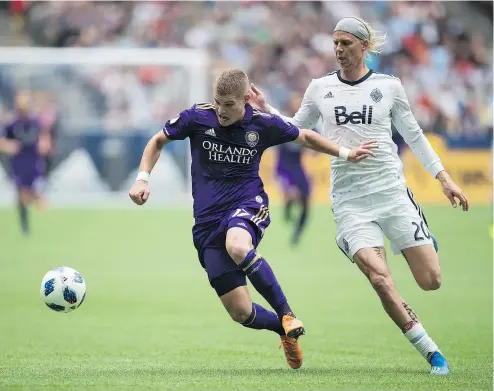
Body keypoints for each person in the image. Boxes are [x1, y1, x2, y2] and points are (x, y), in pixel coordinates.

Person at [249, 17, 469, 375]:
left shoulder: (389, 86)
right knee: (380, 278)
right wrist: (266, 110)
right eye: (335, 43)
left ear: (364, 47)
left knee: (431, 281)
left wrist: (444, 179)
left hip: (392, 194)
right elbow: (295, 129)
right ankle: (432, 353)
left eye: (346, 43)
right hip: (350, 203)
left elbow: (414, 136)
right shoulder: (320, 88)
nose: (338, 49)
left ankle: (424, 237)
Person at [129, 68, 376, 369]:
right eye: (217, 102)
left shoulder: (262, 124)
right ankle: (283, 330)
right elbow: (158, 140)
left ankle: (286, 312)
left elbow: (306, 137)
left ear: (246, 100)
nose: (221, 110)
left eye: (229, 104)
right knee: (240, 312)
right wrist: (143, 179)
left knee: (237, 245)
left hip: (247, 204)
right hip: (207, 223)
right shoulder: (197, 117)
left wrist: (347, 153)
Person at [0, 92, 51, 235]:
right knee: (20, 194)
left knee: (26, 191)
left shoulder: (35, 123)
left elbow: (37, 140)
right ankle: (25, 226)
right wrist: (7, 145)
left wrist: (17, 145)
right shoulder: (13, 124)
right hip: (18, 163)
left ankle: (37, 198)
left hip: (32, 162)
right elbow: (3, 141)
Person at [275, 94, 313, 246]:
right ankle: (287, 210)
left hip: (298, 167)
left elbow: (315, 141)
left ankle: (297, 233)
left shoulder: (306, 124)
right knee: (291, 194)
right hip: (284, 166)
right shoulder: (283, 122)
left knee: (306, 202)